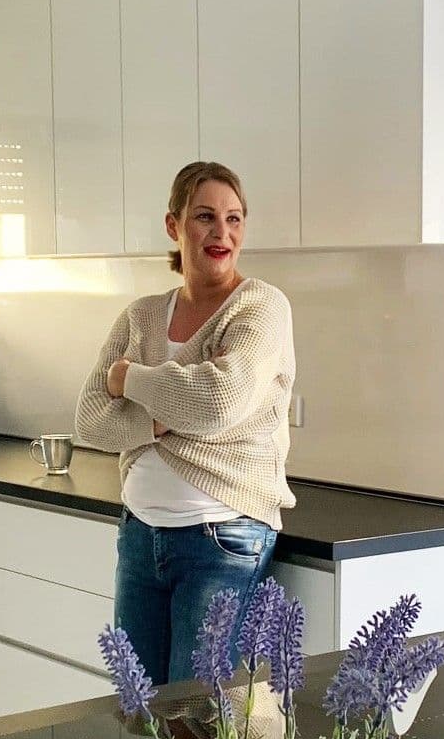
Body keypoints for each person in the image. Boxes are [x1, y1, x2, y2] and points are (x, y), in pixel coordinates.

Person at [75, 160, 296, 686]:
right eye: (205, 217)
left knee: (197, 725)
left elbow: (217, 400)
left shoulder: (260, 308)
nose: (223, 233)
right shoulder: (141, 315)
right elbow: (89, 420)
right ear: (174, 225)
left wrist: (128, 378)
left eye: (235, 218)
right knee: (142, 713)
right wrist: (167, 414)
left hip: (221, 539)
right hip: (139, 538)